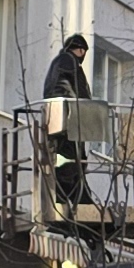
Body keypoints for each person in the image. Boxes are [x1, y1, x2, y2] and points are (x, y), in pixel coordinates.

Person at [41, 34, 92, 211]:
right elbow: (70, 90)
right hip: (68, 120)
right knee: (72, 163)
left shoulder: (61, 61)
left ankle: (75, 198)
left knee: (70, 163)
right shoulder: (68, 61)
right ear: (79, 50)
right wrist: (79, 110)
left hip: (61, 119)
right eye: (83, 51)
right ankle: (76, 199)